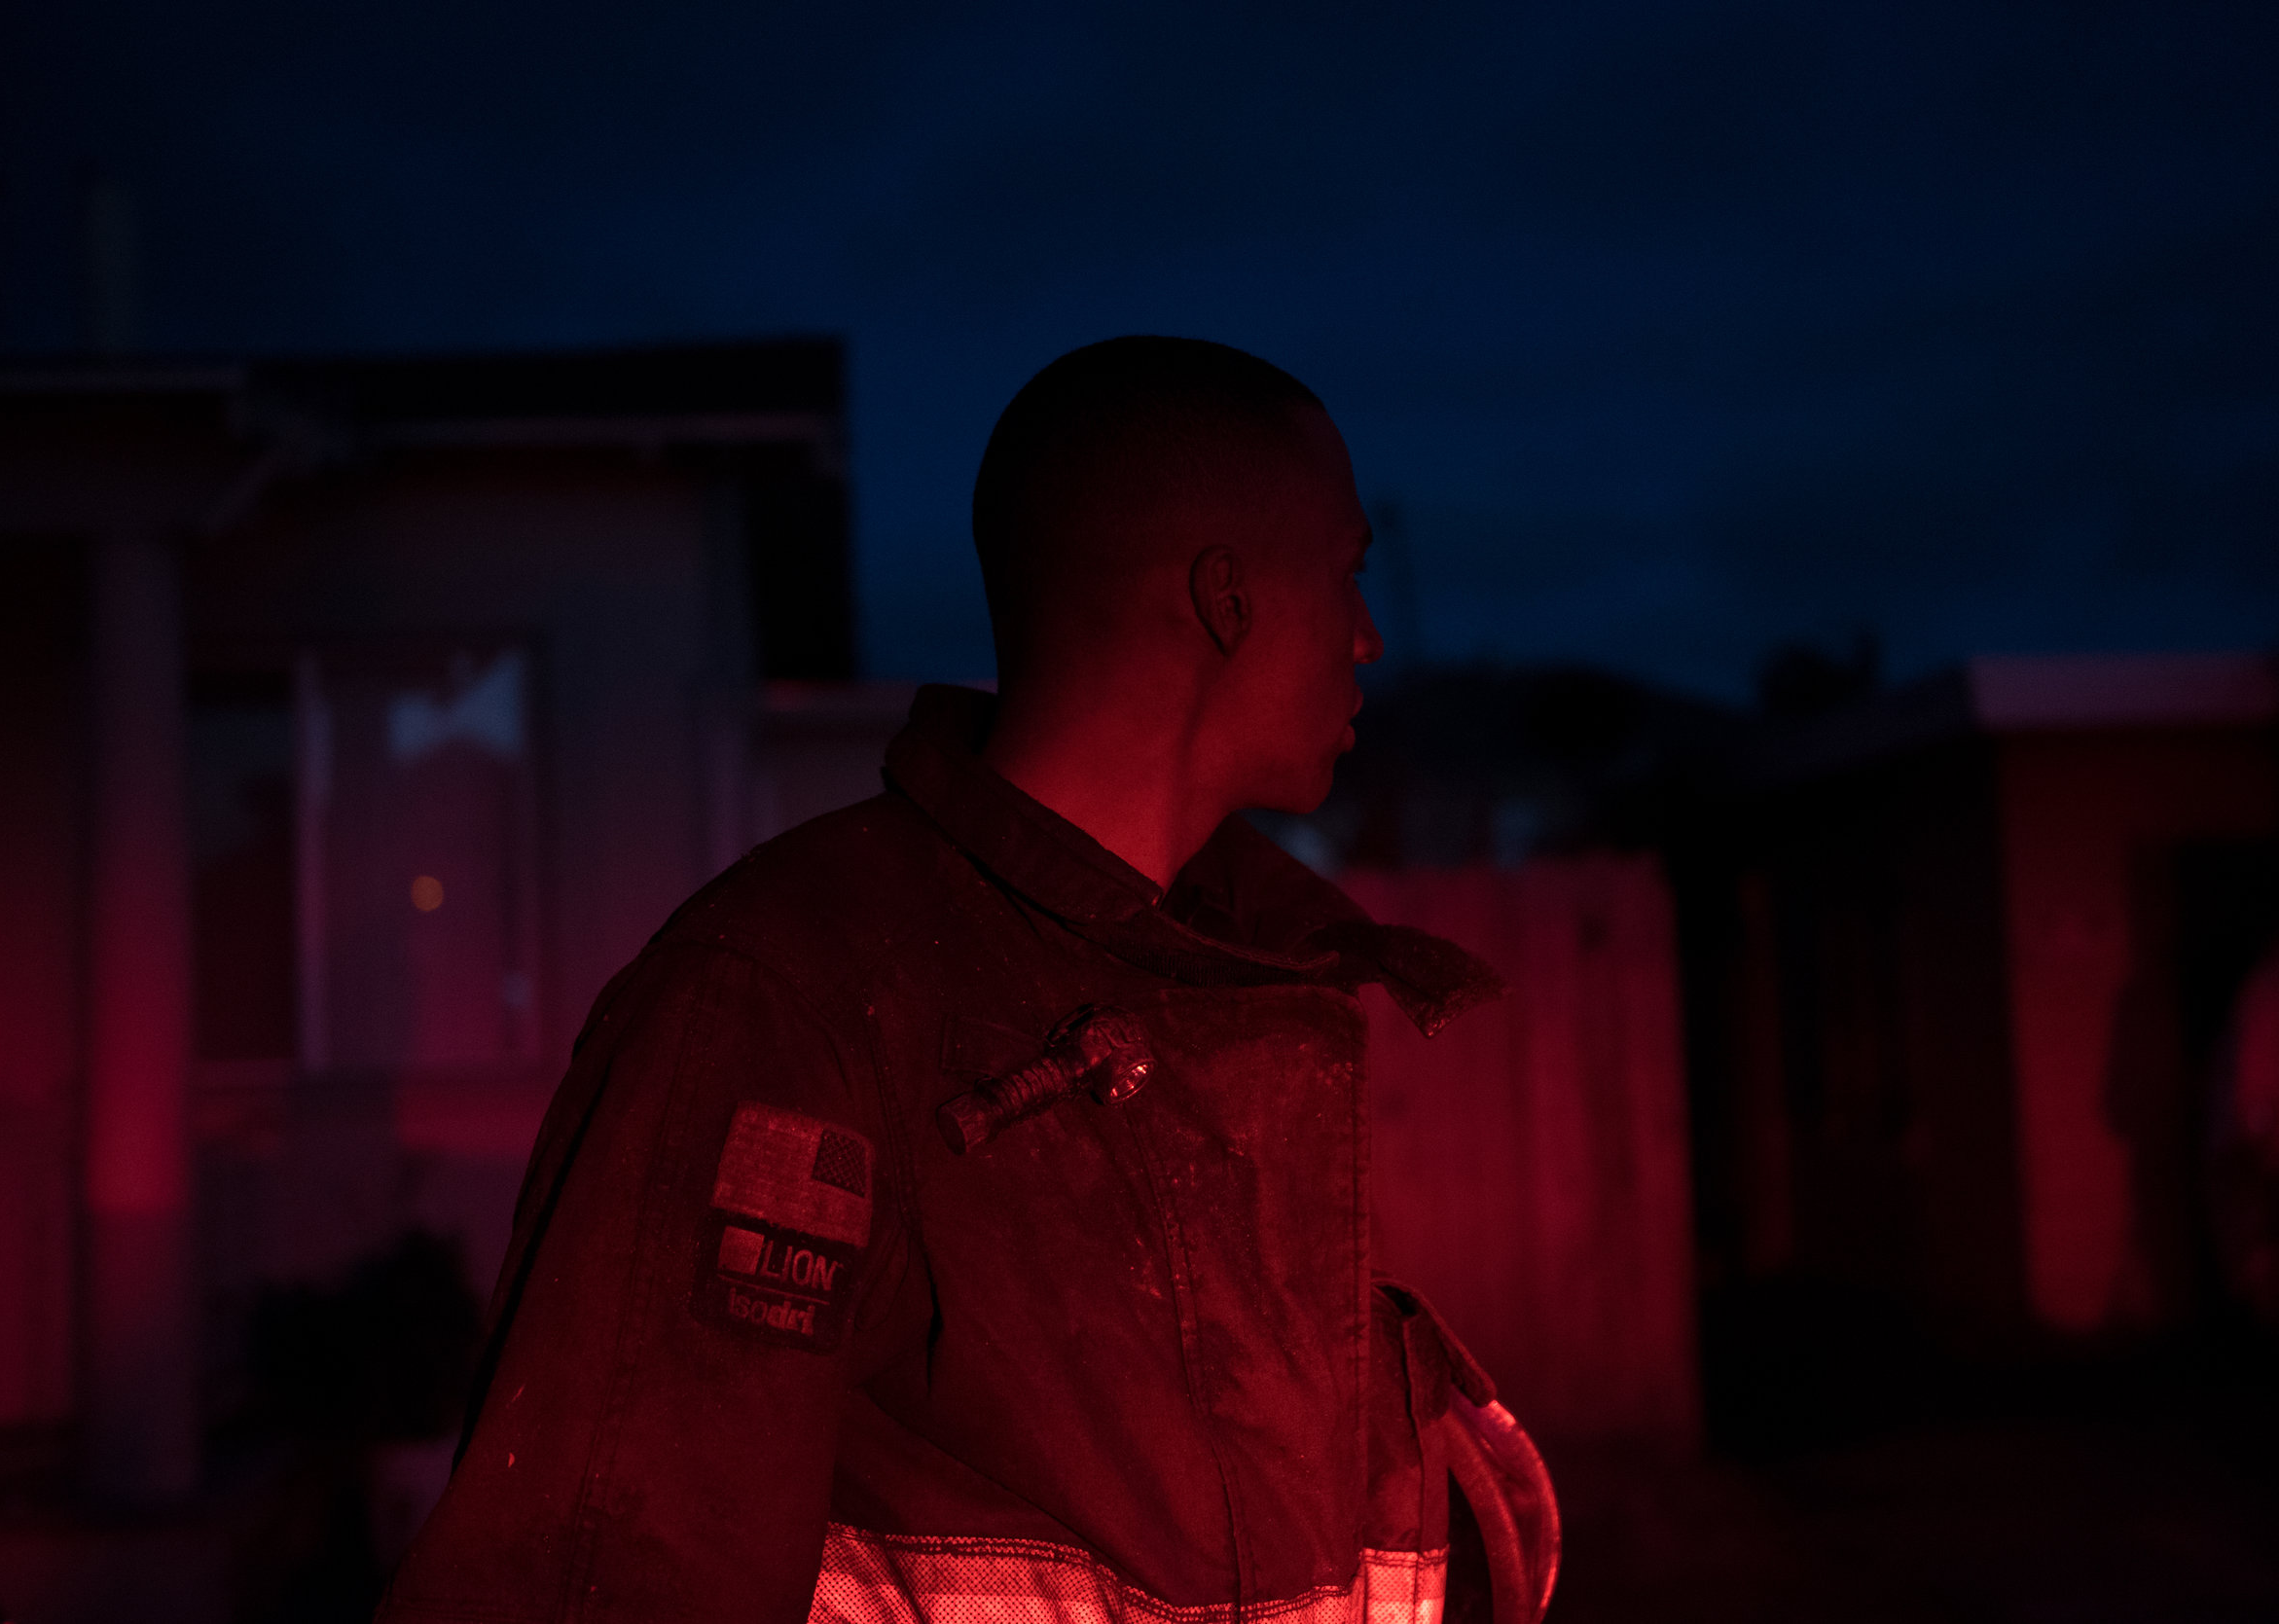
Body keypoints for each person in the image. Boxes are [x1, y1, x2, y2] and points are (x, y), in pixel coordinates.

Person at [375, 337, 1556, 1624]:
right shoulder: (785, 1005)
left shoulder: (1235, 1001)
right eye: (1347, 572)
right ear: (1226, 597)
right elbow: (588, 1580)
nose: (1371, 637)